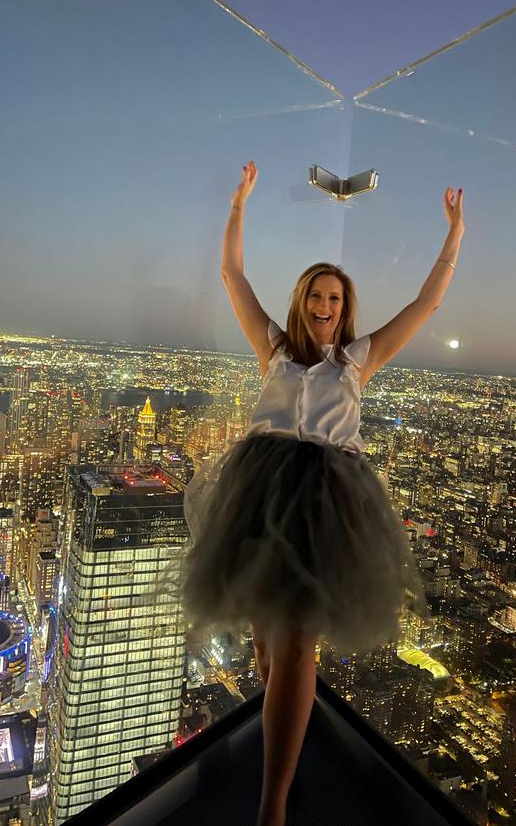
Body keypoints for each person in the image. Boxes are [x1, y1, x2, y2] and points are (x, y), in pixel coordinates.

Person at [178, 161, 465, 826]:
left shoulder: (359, 359)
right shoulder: (274, 350)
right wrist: (239, 205)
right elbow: (232, 276)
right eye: (316, 297)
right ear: (302, 302)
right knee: (264, 638)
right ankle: (277, 719)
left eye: (335, 299)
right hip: (259, 487)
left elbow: (428, 304)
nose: (326, 308)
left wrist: (454, 234)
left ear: (346, 306)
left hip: (326, 499)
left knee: (298, 639)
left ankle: (271, 806)